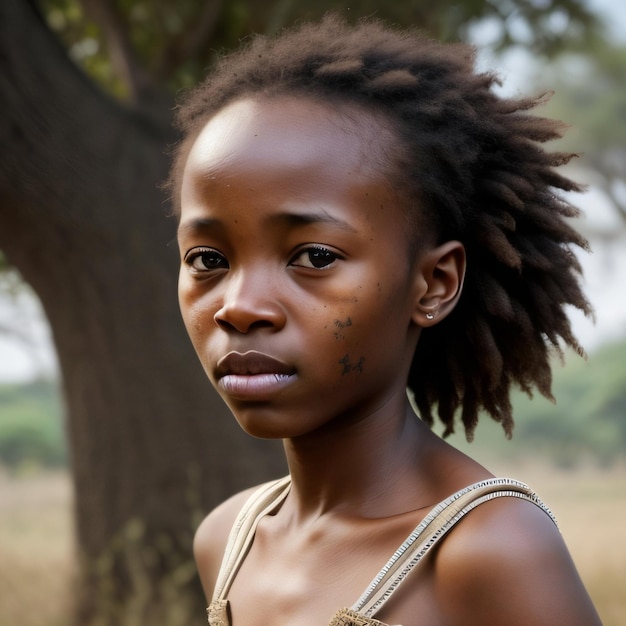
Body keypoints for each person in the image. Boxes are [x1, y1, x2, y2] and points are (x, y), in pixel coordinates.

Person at [168, 14, 602, 626]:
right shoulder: (229, 541)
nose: (238, 306)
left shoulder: (487, 550)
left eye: (314, 257)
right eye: (207, 259)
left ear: (434, 283)